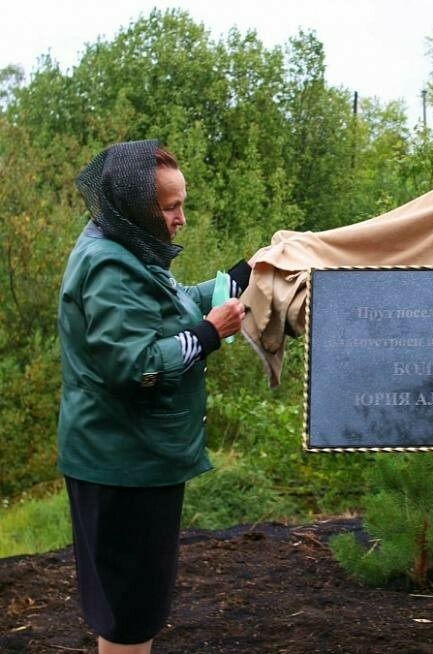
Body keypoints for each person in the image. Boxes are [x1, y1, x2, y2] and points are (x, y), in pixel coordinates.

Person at [57, 140, 251, 654]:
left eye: (181, 204)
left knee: (134, 608)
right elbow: (134, 366)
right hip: (120, 466)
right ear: (138, 207)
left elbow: (167, 305)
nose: (182, 218)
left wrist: (235, 280)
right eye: (171, 207)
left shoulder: (124, 243)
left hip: (134, 460)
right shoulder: (109, 265)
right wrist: (210, 334)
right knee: (128, 613)